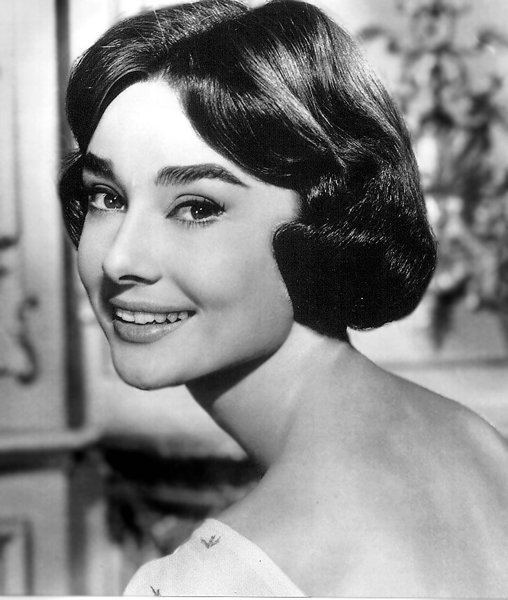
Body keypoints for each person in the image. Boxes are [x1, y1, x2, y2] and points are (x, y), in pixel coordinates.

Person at [59, 0, 508, 595]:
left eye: (197, 208)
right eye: (107, 197)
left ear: (326, 227)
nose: (120, 260)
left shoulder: (215, 583)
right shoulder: (476, 442)